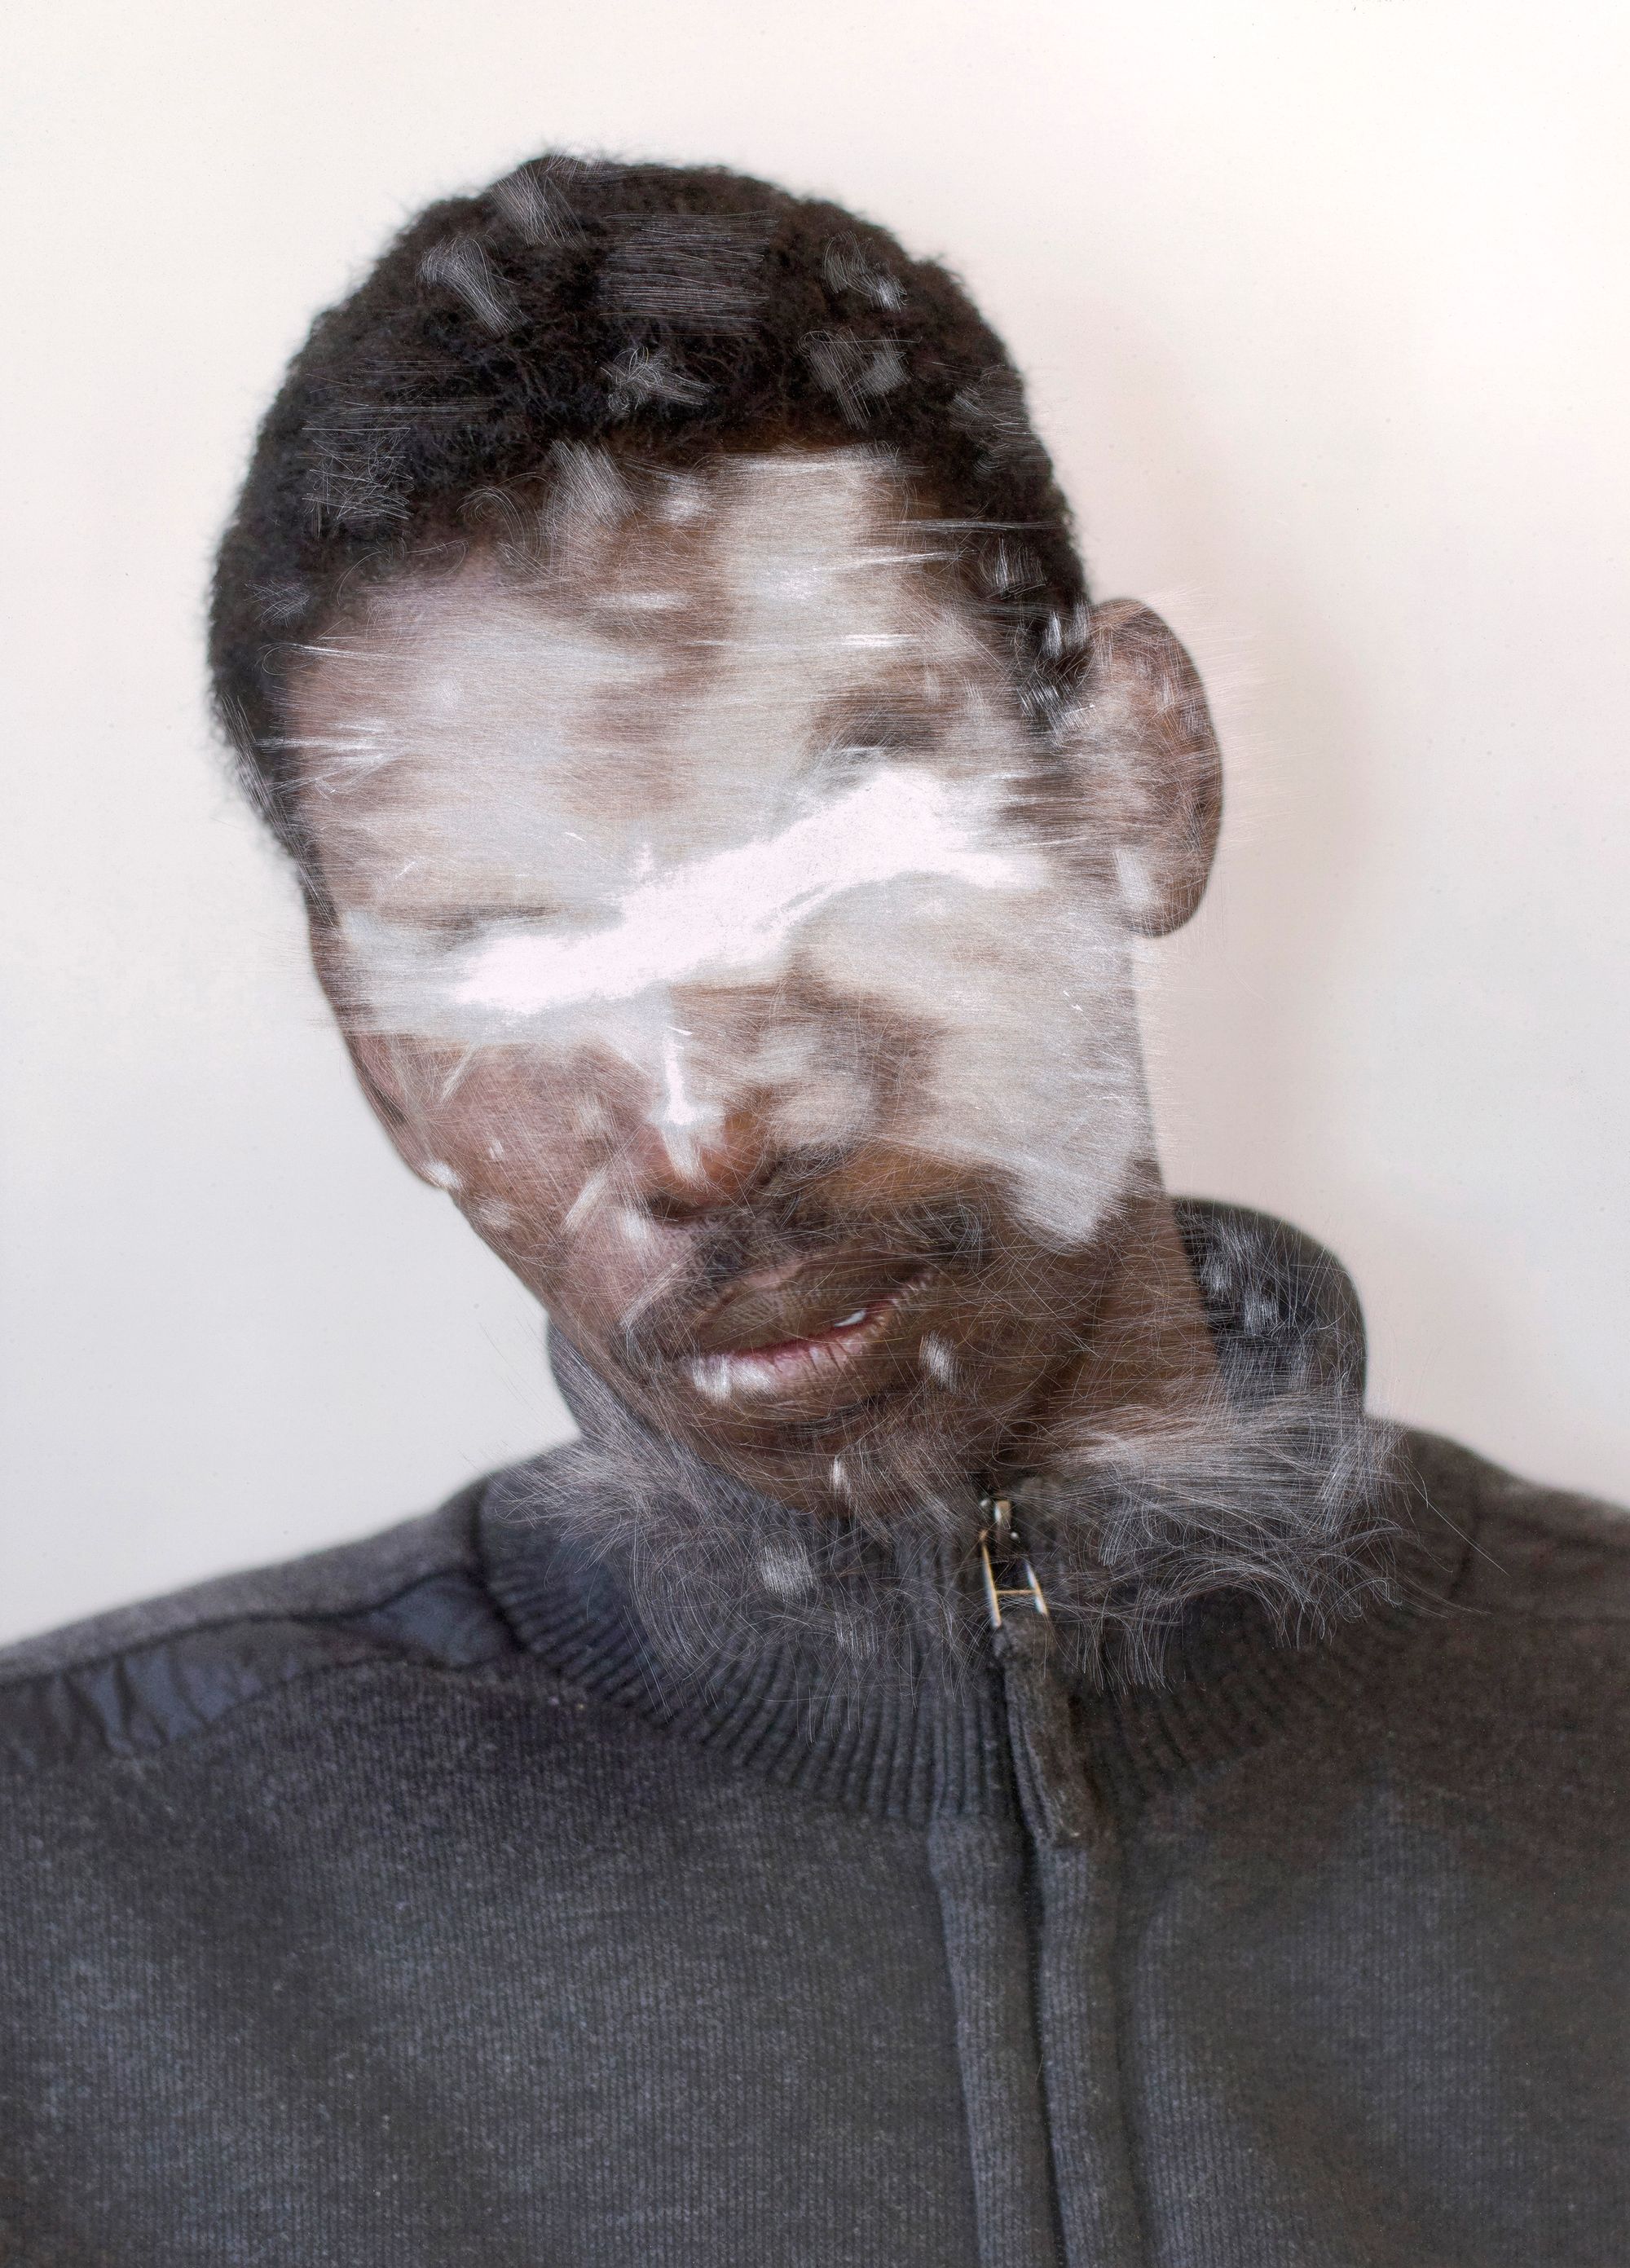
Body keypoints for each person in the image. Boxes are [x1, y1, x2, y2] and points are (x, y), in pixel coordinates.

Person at [2, 154, 1623, 2268]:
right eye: (503, 964)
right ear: (373, 1046)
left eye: (827, 862)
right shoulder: (62, 1897)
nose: (698, 1133)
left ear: (1134, 773)